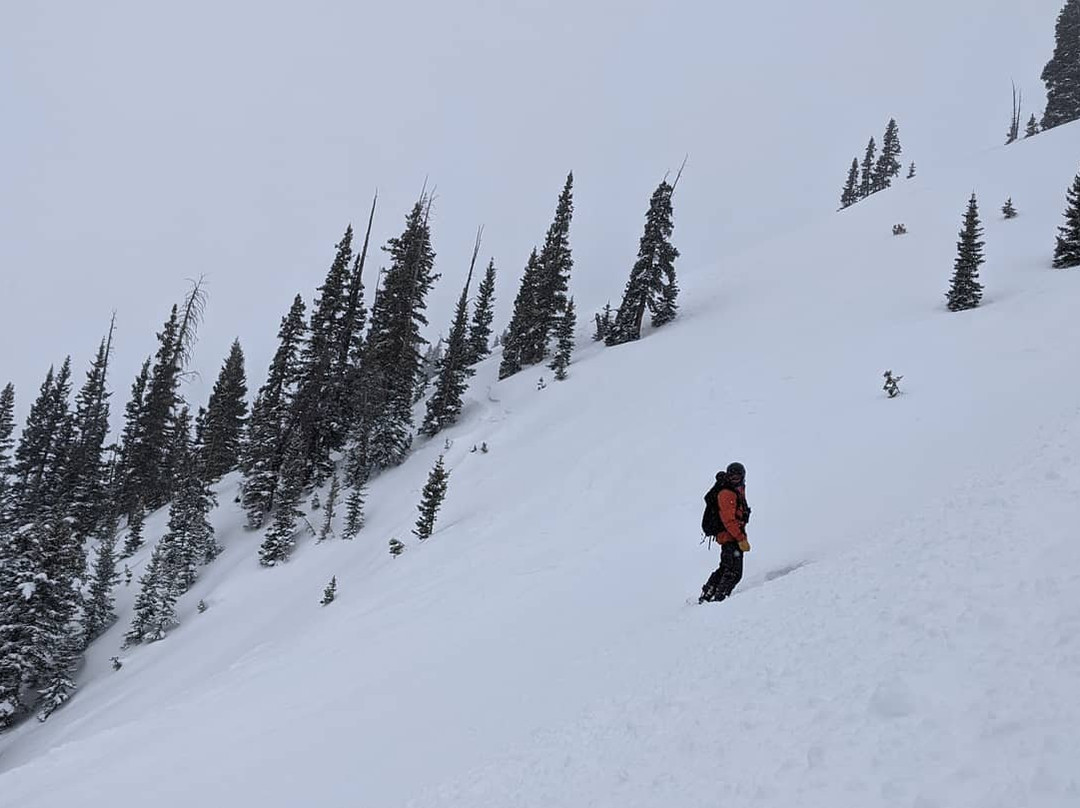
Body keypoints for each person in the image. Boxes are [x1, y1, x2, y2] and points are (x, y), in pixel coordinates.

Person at [699, 462, 751, 604]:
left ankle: (708, 594)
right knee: (733, 572)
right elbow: (729, 520)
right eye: (732, 477)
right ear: (728, 477)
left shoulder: (736, 491)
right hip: (730, 538)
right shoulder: (727, 493)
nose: (735, 479)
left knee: (726, 568)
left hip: (731, 537)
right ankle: (720, 598)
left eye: (737, 476)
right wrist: (741, 538)